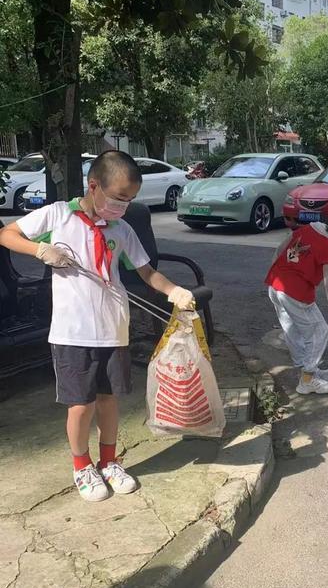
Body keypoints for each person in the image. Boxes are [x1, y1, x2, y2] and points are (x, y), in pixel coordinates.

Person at [0, 151, 196, 502]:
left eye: (130, 200)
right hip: (72, 332)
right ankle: (82, 467)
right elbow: (7, 234)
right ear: (95, 187)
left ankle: (109, 462)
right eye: (119, 198)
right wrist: (41, 251)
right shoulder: (60, 215)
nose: (124, 206)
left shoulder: (121, 228)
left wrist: (175, 291)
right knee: (81, 404)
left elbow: (146, 271)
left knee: (108, 400)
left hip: (114, 326)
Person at [265, 207, 328, 395]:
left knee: (292, 330)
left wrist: (277, 273)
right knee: (319, 332)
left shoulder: (308, 229)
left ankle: (309, 370)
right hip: (296, 292)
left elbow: (281, 249)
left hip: (275, 284)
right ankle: (307, 380)